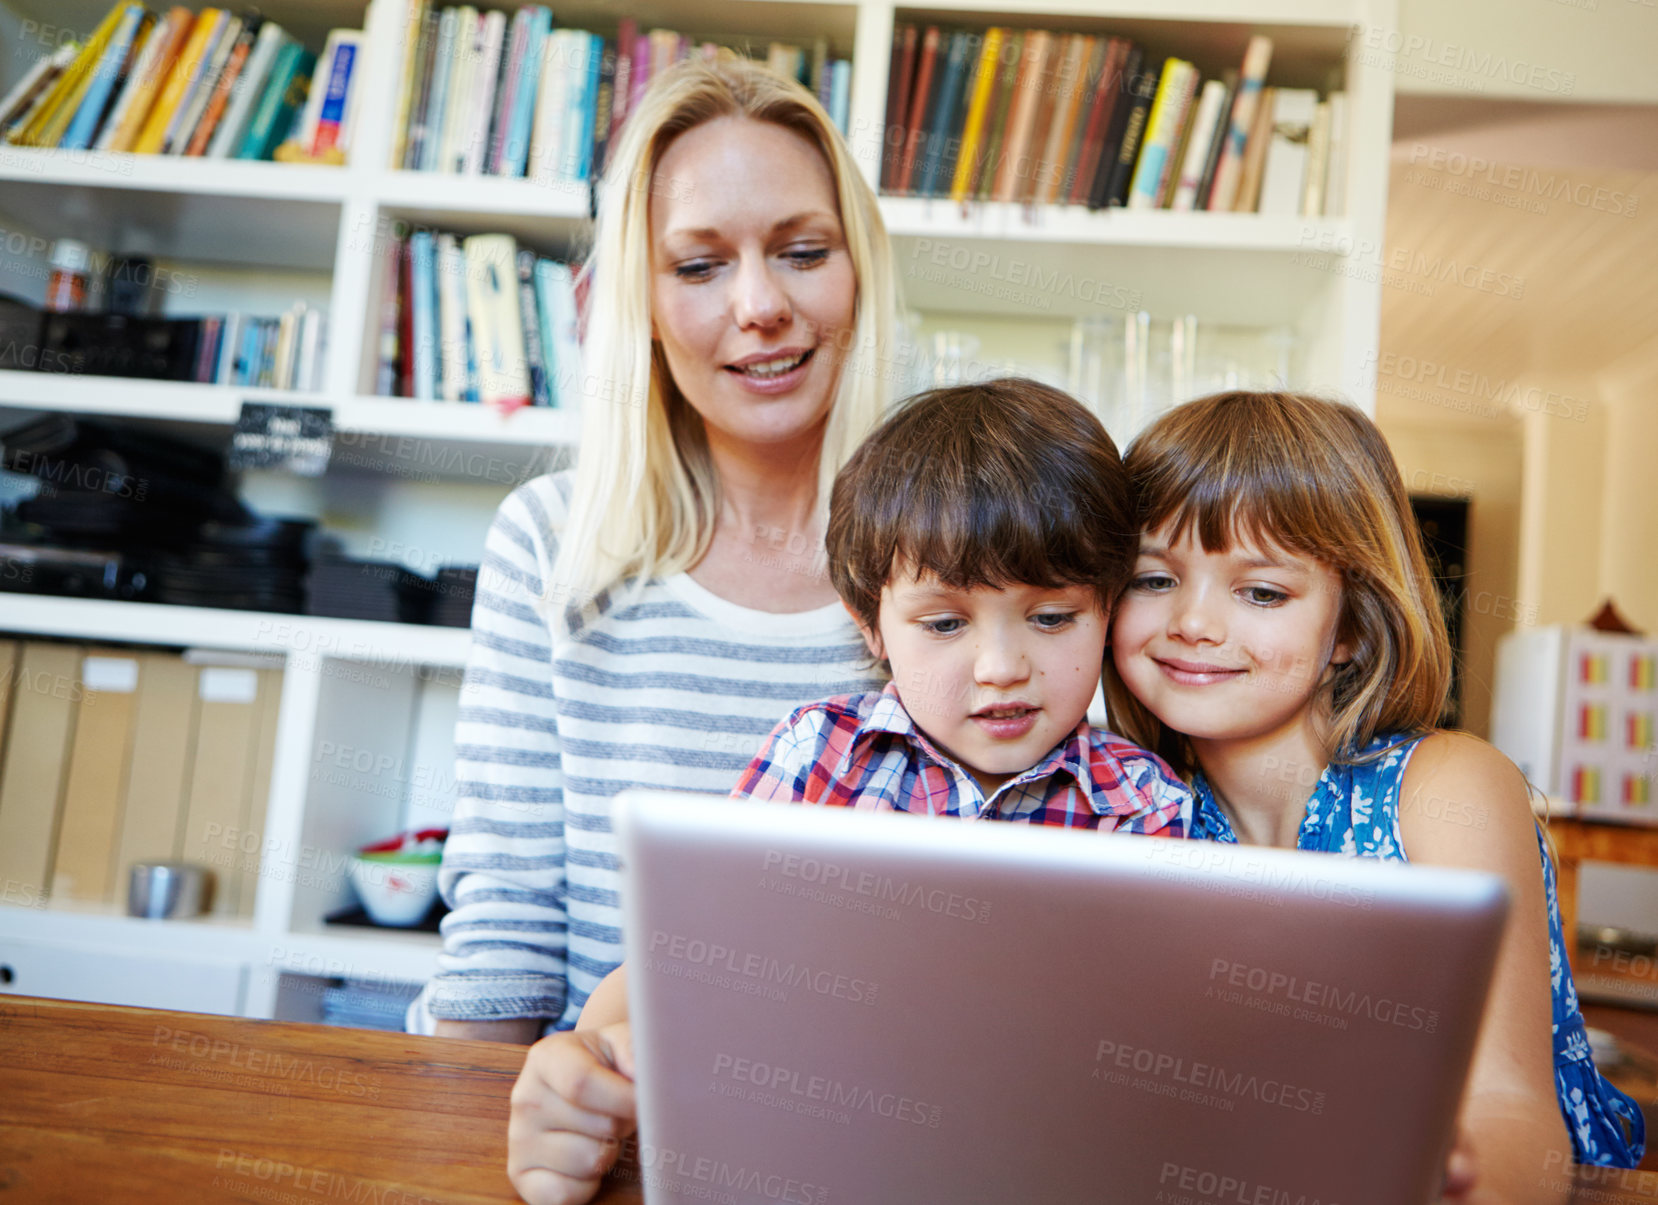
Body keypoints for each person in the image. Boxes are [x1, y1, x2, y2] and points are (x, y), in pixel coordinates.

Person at [506, 378, 1192, 1205]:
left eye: (1052, 617)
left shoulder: (1147, 807)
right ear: (870, 623)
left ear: (1108, 610)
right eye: (944, 623)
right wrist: (594, 1063)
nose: (1002, 667)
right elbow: (682, 966)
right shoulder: (818, 759)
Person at [415, 55, 899, 1045]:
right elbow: (504, 929)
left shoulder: (957, 562)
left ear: (860, 272)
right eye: (698, 264)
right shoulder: (551, 542)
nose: (759, 305)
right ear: (643, 301)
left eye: (803, 252)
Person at [1102, 391, 1645, 1192]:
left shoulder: (1444, 788)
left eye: (1262, 592)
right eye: (1153, 578)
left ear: (1350, 625)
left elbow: (1510, 1115)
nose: (1192, 622)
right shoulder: (1137, 813)